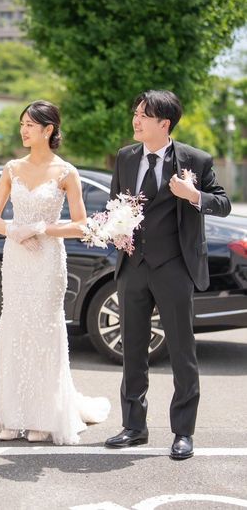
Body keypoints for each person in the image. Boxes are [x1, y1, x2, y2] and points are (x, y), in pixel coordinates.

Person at [105, 90, 230, 460]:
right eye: (136, 113)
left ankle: (183, 432)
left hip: (175, 267)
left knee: (181, 351)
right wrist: (114, 229)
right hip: (133, 267)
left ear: (165, 123)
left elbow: (222, 203)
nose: (136, 120)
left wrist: (193, 195)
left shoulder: (196, 160)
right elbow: (115, 203)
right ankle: (134, 427)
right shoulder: (126, 157)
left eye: (144, 115)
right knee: (132, 350)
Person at [0, 100, 110, 444]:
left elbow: (82, 225)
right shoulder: (12, 168)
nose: (23, 130)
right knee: (15, 329)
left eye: (30, 125)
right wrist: (14, 230)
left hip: (48, 259)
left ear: (48, 130)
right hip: (17, 257)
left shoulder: (66, 172)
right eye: (22, 124)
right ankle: (11, 414)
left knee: (43, 332)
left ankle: (42, 417)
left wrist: (42, 228)